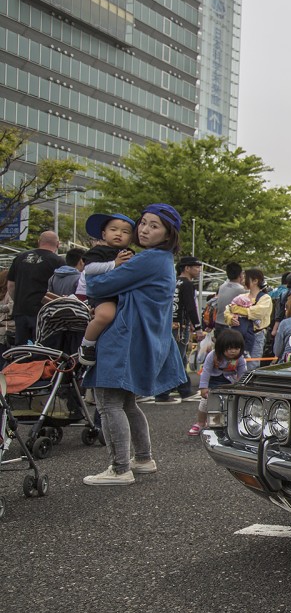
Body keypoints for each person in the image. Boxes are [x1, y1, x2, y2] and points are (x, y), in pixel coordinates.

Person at [81, 203, 188, 486]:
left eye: (154, 226)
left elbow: (96, 287)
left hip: (126, 338)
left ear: (168, 234)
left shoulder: (148, 259)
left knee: (107, 402)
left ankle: (119, 468)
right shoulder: (160, 259)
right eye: (143, 222)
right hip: (142, 338)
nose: (144, 229)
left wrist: (102, 280)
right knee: (128, 403)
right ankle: (142, 458)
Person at [77, 213, 137, 365]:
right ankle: (87, 344)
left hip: (125, 296)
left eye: (125, 232)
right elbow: (90, 269)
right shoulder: (98, 251)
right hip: (105, 296)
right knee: (105, 315)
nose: (119, 234)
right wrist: (114, 264)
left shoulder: (131, 254)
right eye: (114, 229)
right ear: (104, 234)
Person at [153, 255, 203, 404]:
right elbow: (190, 307)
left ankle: (185, 390)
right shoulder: (187, 284)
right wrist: (198, 327)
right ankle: (162, 393)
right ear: (186, 268)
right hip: (180, 327)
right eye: (196, 267)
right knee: (176, 358)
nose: (199, 270)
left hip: (168, 324)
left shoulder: (173, 282)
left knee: (179, 358)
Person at [8, 231, 63, 345]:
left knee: (21, 349)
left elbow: (11, 285)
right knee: (42, 348)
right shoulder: (58, 261)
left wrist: (18, 300)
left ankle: (21, 362)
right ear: (57, 244)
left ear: (39, 242)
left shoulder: (19, 257)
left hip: (21, 310)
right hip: (44, 312)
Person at [190, 327, 247, 436]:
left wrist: (242, 387)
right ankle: (200, 423)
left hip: (230, 383)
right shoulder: (213, 355)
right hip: (213, 381)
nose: (233, 351)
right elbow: (206, 371)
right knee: (205, 403)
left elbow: (242, 374)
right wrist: (203, 388)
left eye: (236, 348)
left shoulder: (240, 359)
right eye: (229, 348)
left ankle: (223, 425)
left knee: (229, 404)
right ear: (221, 347)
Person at [223, 268, 271, 360]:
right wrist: (230, 318)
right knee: (235, 363)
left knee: (252, 363)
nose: (242, 280)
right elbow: (228, 310)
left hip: (256, 335)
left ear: (255, 281)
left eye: (245, 278)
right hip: (238, 335)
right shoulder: (242, 296)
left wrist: (237, 309)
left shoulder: (266, 298)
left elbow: (257, 312)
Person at [212, 262, 246, 333]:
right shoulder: (241, 289)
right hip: (230, 325)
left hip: (218, 322)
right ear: (240, 275)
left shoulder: (222, 287)